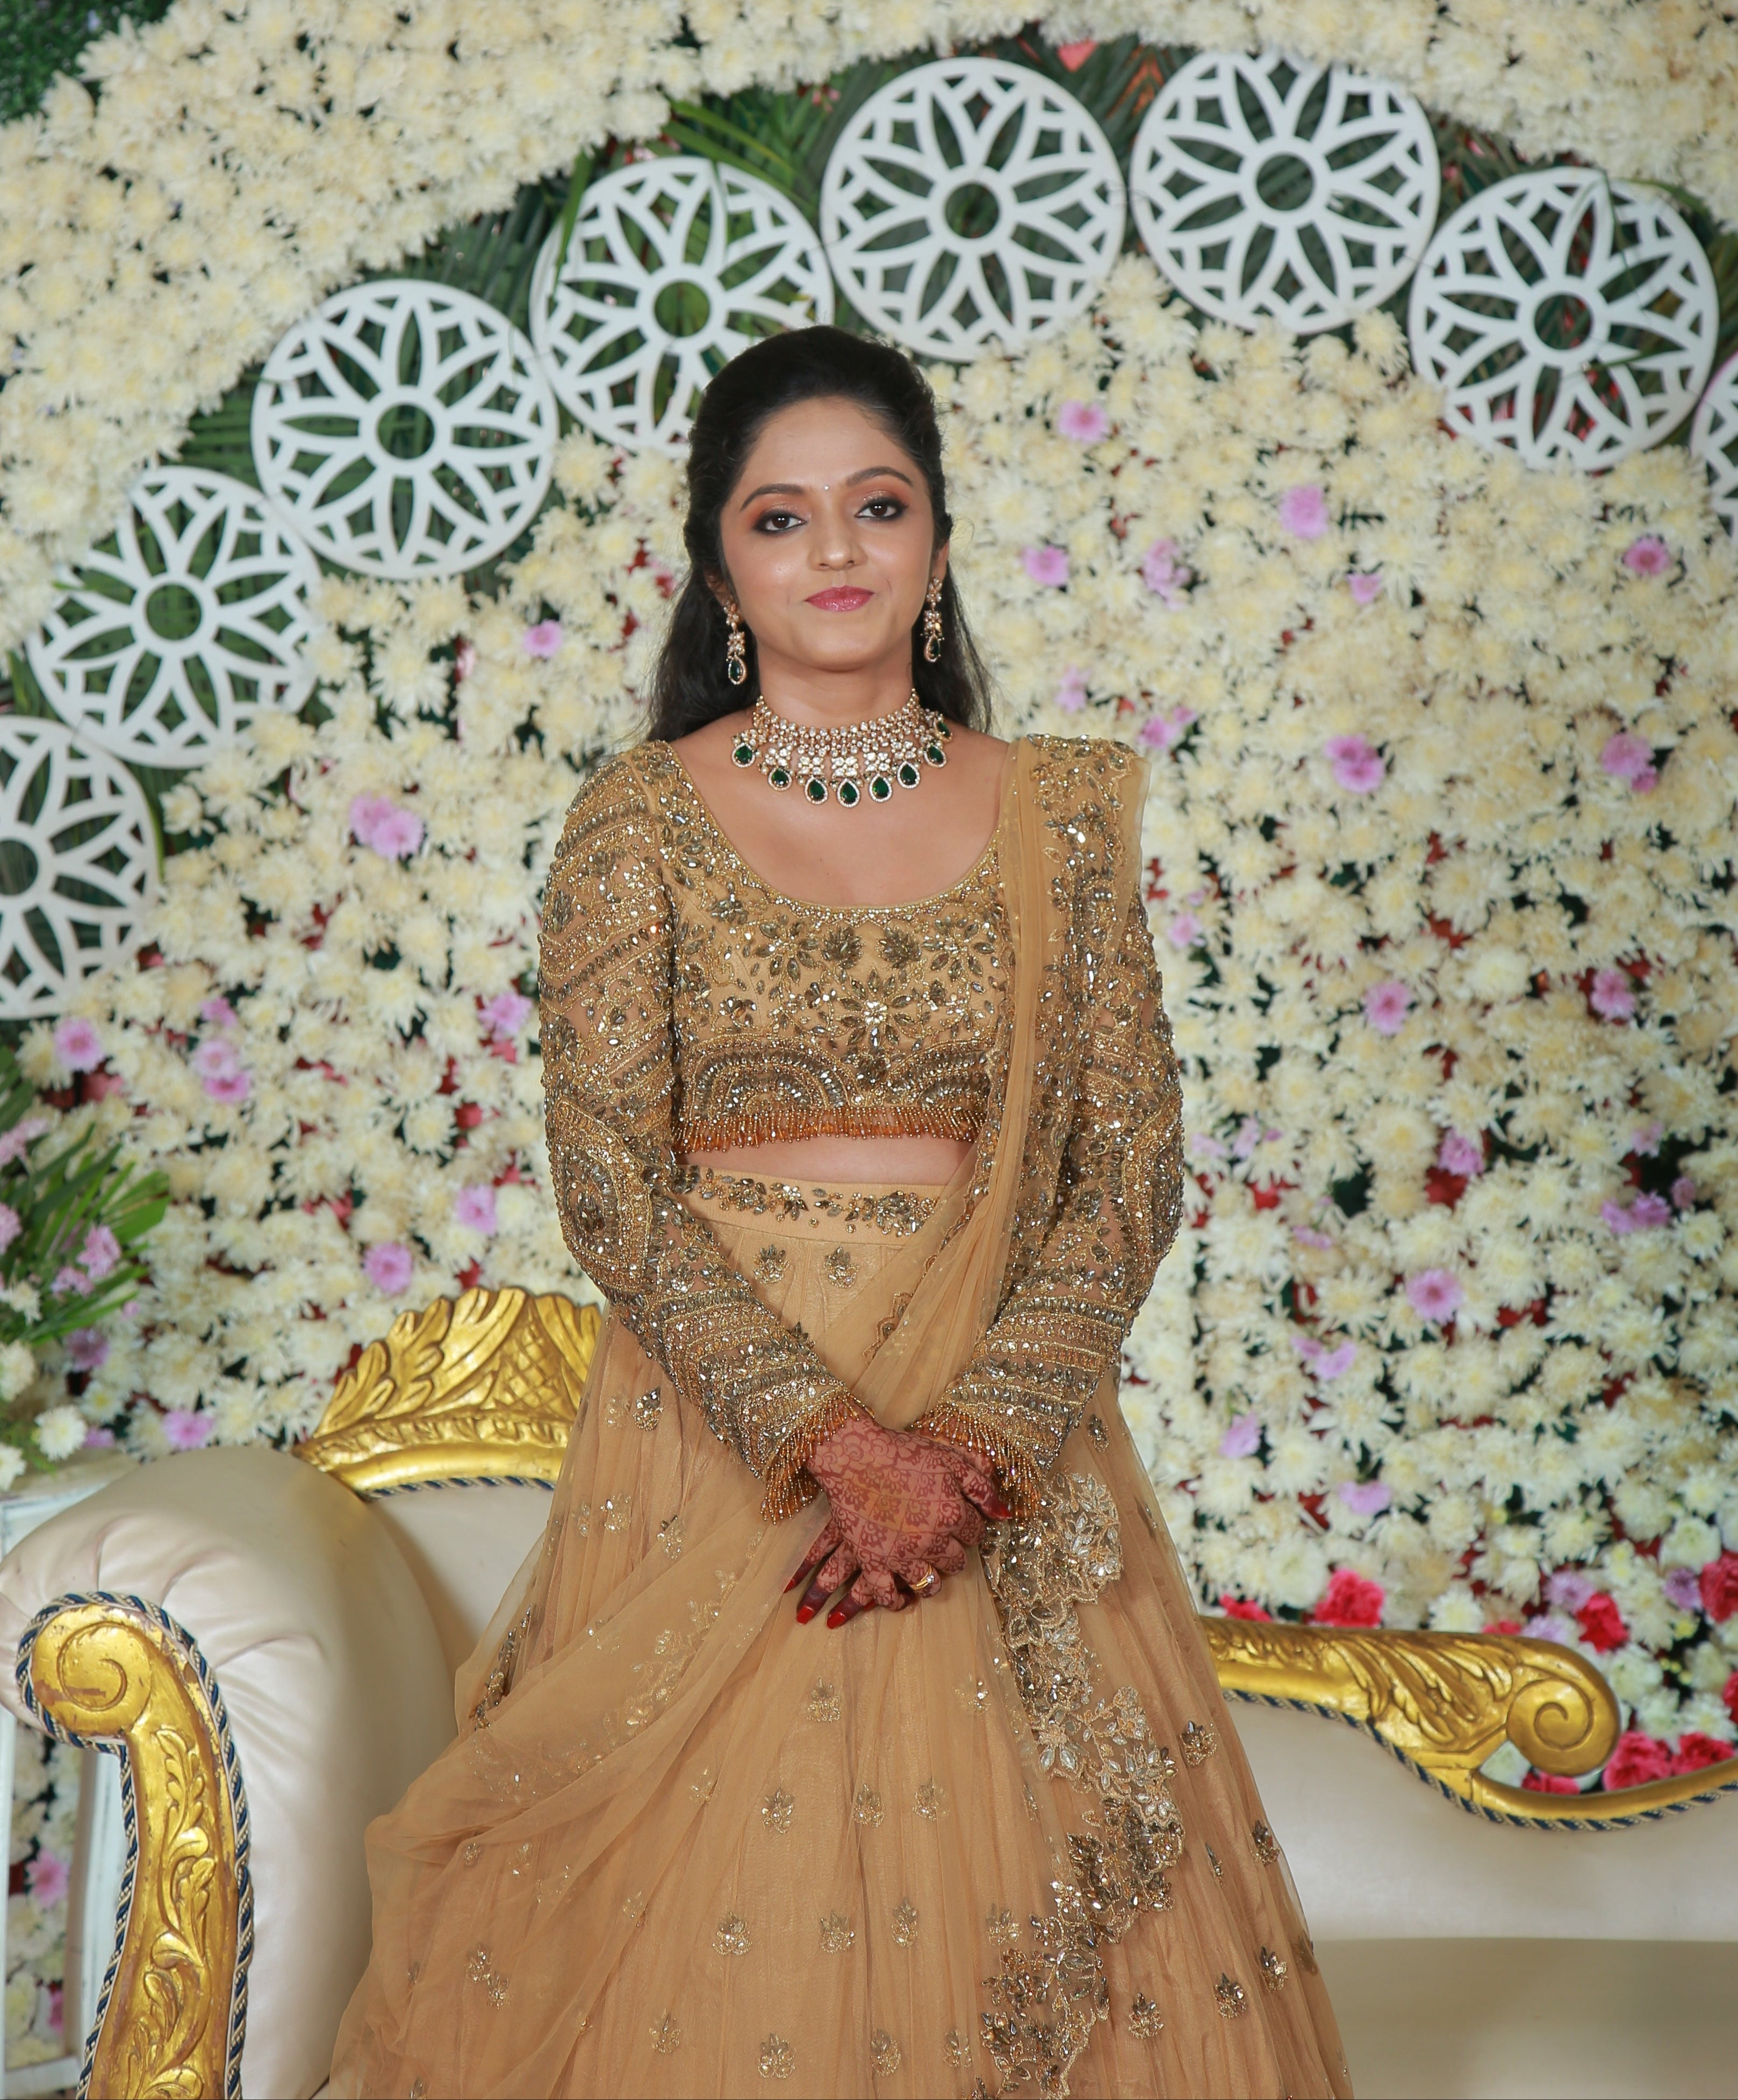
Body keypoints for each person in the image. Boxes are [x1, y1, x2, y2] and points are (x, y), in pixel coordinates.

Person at [330, 325, 1351, 2100]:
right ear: (718, 567)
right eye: (780, 519)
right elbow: (612, 1185)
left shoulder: (1058, 817)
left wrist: (967, 1444)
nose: (834, 553)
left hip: (1002, 1437)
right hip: (721, 1445)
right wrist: (834, 1444)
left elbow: (1127, 1164)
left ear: (938, 544)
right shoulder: (637, 823)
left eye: (875, 508)